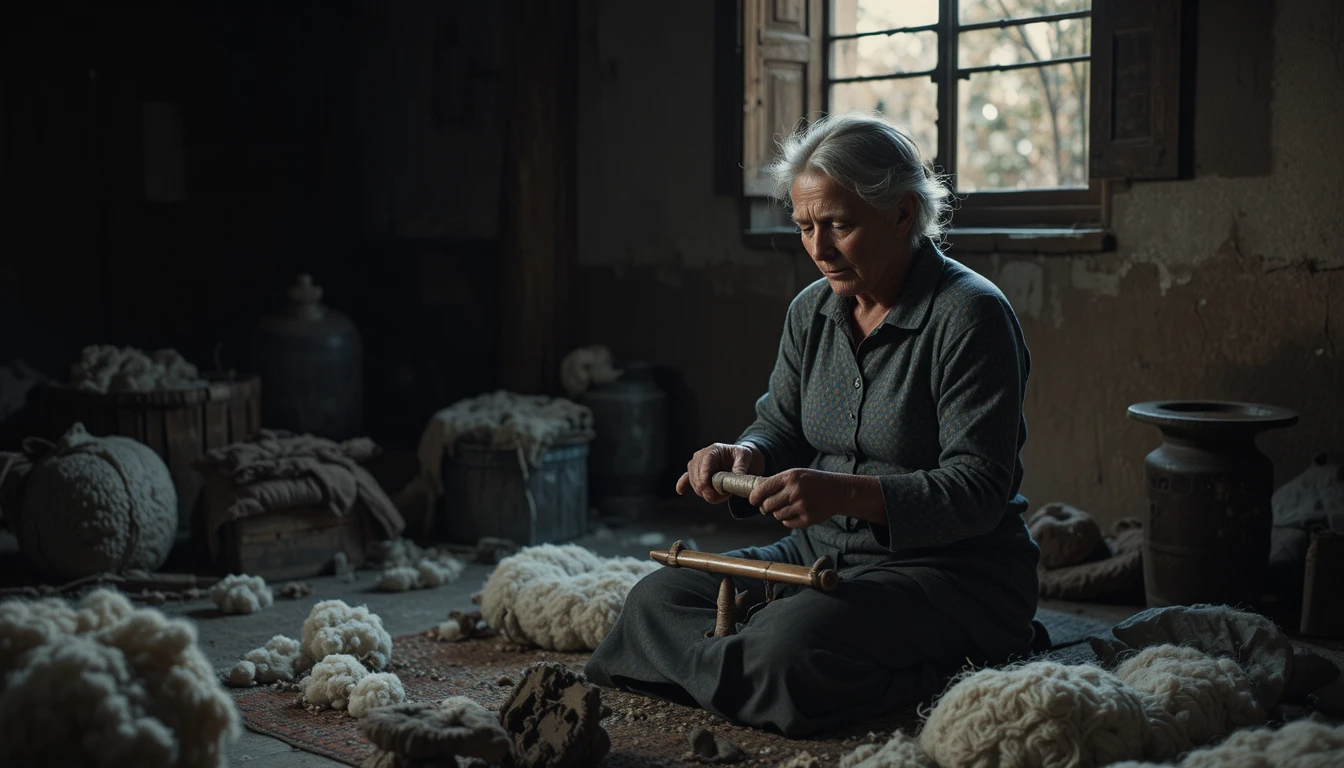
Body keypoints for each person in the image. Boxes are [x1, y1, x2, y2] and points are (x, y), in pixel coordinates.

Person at [584, 113, 1044, 737]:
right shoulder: (813, 312)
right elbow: (779, 425)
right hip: (817, 555)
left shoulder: (971, 316)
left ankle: (775, 668)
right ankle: (759, 676)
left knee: (786, 644)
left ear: (904, 214)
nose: (819, 250)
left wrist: (845, 494)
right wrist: (744, 452)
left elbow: (979, 489)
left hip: (947, 573)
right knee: (655, 599)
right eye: (805, 228)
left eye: (840, 226)